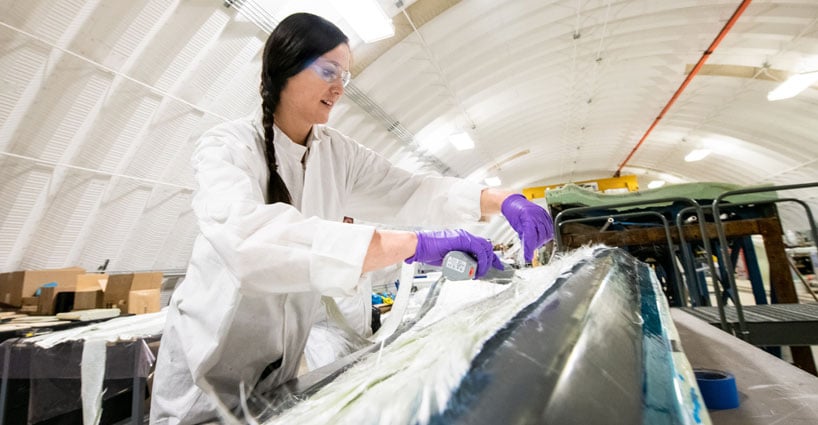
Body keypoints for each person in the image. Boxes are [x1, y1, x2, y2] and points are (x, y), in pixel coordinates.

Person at [149, 12, 553, 424]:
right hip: (205, 376)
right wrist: (418, 245)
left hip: (277, 377)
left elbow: (410, 189)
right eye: (328, 70)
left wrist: (501, 200)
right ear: (285, 68)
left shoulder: (336, 153)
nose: (339, 86)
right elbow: (249, 244)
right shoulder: (227, 148)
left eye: (345, 75)